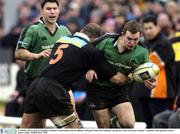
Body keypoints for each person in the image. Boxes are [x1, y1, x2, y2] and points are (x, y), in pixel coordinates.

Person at [20, 23, 131, 128]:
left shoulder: (61, 40)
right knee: (76, 130)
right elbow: (117, 79)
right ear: (95, 39)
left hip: (36, 84)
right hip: (54, 89)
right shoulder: (90, 50)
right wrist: (132, 76)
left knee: (26, 129)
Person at [85, 20, 156, 128]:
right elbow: (88, 55)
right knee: (104, 128)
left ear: (140, 36)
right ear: (123, 34)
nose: (132, 43)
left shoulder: (142, 52)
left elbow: (148, 72)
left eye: (135, 39)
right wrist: (89, 69)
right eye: (129, 38)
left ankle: (114, 126)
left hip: (118, 90)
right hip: (97, 89)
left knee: (129, 124)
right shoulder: (106, 41)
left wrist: (151, 81)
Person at [15, 0, 72, 128]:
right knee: (33, 126)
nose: (52, 12)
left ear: (59, 10)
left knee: (70, 122)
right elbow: (19, 53)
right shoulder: (32, 29)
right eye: (48, 9)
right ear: (41, 11)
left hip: (57, 84)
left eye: (54, 9)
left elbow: (73, 54)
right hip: (35, 82)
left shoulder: (65, 31)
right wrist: (37, 55)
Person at [131, 15, 176, 128]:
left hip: (159, 93)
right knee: (149, 125)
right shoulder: (145, 43)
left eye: (150, 28)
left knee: (158, 124)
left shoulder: (164, 43)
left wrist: (132, 67)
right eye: (145, 29)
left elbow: (149, 67)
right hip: (144, 91)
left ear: (158, 27)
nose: (148, 31)